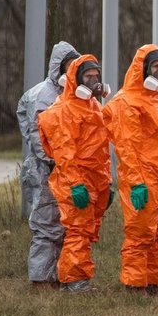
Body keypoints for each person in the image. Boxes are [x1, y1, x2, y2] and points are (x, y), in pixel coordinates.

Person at [103, 44, 158, 295]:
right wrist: (136, 182)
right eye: (155, 66)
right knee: (140, 232)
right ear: (143, 69)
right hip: (141, 176)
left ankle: (154, 283)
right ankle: (134, 285)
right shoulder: (126, 102)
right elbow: (126, 145)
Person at [37, 55, 112, 292]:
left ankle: (77, 277)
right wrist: (75, 184)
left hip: (94, 179)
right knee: (78, 230)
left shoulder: (94, 107)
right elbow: (64, 153)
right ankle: (73, 280)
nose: (94, 81)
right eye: (88, 77)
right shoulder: (63, 111)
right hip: (75, 180)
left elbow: (102, 150)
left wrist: (106, 184)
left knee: (86, 231)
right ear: (76, 80)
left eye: (96, 76)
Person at [16, 41, 79, 289]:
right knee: (46, 224)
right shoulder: (43, 94)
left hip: (59, 168)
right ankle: (41, 280)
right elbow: (37, 134)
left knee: (61, 224)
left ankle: (56, 275)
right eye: (69, 66)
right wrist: (54, 161)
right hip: (45, 170)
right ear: (58, 68)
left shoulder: (66, 93)